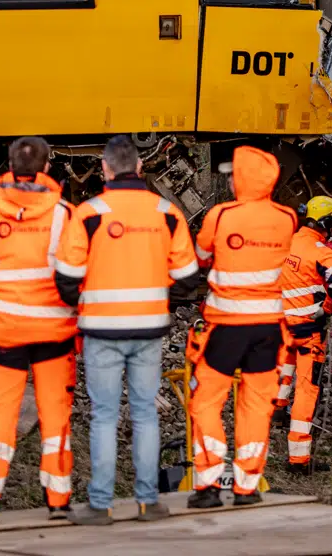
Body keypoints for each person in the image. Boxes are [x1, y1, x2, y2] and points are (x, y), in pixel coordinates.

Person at [55, 135, 202, 525]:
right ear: (139, 167)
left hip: (101, 330)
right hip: (149, 329)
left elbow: (66, 280)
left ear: (104, 168)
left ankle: (100, 505)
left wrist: (88, 302)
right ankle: (148, 502)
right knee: (145, 414)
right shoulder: (166, 213)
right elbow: (188, 278)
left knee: (104, 415)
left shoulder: (87, 214)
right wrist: (160, 301)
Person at [0, 137, 78, 524]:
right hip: (54, 334)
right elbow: (80, 271)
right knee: (55, 417)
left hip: (3, 333)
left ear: (8, 166)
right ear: (46, 168)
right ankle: (58, 501)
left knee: (0, 417)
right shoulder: (65, 213)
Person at [187, 146, 296, 509]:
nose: (231, 181)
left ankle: (208, 485)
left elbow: (201, 256)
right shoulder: (286, 218)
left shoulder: (221, 215)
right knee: (256, 406)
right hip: (268, 329)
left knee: (206, 401)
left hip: (226, 328)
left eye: (234, 175)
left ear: (241, 179)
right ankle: (246, 488)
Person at [275, 196, 332, 474]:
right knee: (307, 389)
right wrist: (327, 308)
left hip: (283, 322)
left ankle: (277, 410)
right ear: (327, 222)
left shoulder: (287, 242)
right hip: (308, 329)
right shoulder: (322, 252)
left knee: (284, 368)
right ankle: (298, 458)